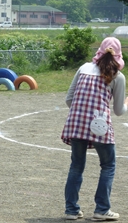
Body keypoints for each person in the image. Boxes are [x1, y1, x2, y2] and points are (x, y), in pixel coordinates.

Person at [61, 37, 128, 221]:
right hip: (100, 126)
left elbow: (69, 98)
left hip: (76, 123)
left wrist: (82, 115)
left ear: (100, 50)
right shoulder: (118, 76)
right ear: (119, 54)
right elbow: (119, 111)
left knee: (76, 166)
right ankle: (102, 209)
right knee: (108, 166)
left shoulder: (83, 68)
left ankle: (71, 210)